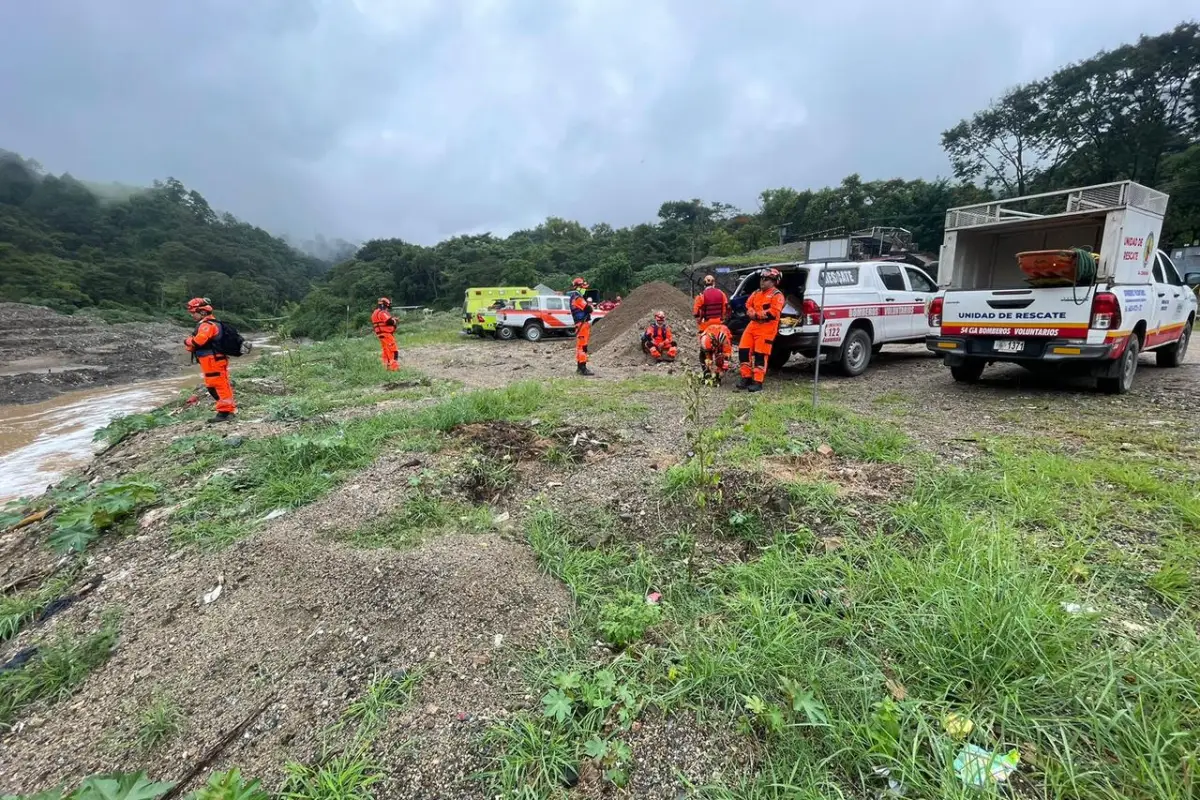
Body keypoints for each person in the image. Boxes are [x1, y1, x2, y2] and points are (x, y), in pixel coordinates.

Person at [184, 297, 237, 423]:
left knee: (218, 385)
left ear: (202, 312)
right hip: (212, 360)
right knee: (214, 385)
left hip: (213, 360)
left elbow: (198, 341)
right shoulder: (211, 324)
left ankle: (225, 412)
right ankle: (228, 410)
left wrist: (187, 341)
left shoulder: (207, 325)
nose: (192, 316)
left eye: (193, 313)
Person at [737, 267, 786, 393]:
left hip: (767, 328)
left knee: (760, 355)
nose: (762, 281)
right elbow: (748, 304)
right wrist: (751, 312)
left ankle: (758, 381)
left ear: (774, 281)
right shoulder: (756, 293)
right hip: (753, 325)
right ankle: (746, 377)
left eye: (766, 279)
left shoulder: (777, 295)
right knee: (743, 350)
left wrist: (757, 314)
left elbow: (774, 313)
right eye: (762, 279)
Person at [568, 277, 595, 376]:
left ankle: (580, 367)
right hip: (582, 325)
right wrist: (591, 306)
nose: (585, 289)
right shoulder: (578, 298)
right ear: (578, 287)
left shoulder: (574, 297)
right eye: (583, 287)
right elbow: (588, 309)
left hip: (580, 324)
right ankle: (583, 368)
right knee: (583, 347)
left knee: (580, 347)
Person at [699, 319, 734, 384]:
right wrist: (709, 364)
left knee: (720, 357)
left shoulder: (724, 339)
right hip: (711, 338)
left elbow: (727, 353)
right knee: (702, 356)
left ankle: (718, 377)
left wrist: (723, 369)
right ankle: (707, 374)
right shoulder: (703, 338)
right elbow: (707, 353)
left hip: (720, 339)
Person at [371, 297, 400, 371]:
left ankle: (386, 368)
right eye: (388, 306)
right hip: (386, 334)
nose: (388, 308)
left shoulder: (375, 313)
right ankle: (394, 369)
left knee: (385, 351)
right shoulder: (382, 312)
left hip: (381, 335)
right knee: (393, 351)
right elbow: (389, 321)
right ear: (386, 304)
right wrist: (394, 320)